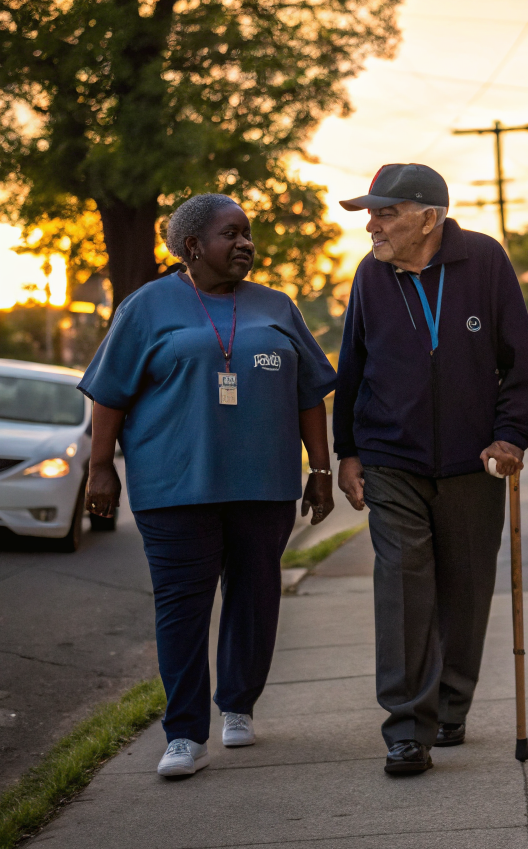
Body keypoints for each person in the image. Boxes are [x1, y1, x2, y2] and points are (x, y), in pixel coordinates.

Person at [80, 193, 337, 779]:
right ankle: (184, 734)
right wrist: (100, 469)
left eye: (248, 234)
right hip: (174, 486)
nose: (245, 243)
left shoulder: (276, 307)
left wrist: (319, 472)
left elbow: (309, 396)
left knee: (254, 597)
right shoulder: (146, 307)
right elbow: (109, 393)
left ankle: (239, 706)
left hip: (263, 485)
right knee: (182, 608)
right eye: (232, 233)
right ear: (193, 246)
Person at [332, 163, 528, 775]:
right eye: (370, 214)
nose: (371, 225)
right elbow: (353, 367)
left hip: (471, 461)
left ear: (429, 218)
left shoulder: (484, 262)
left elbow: (522, 364)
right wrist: (348, 449)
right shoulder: (371, 277)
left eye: (384, 213)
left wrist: (510, 435)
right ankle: (407, 729)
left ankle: (450, 706)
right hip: (391, 458)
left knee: (466, 587)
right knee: (402, 584)